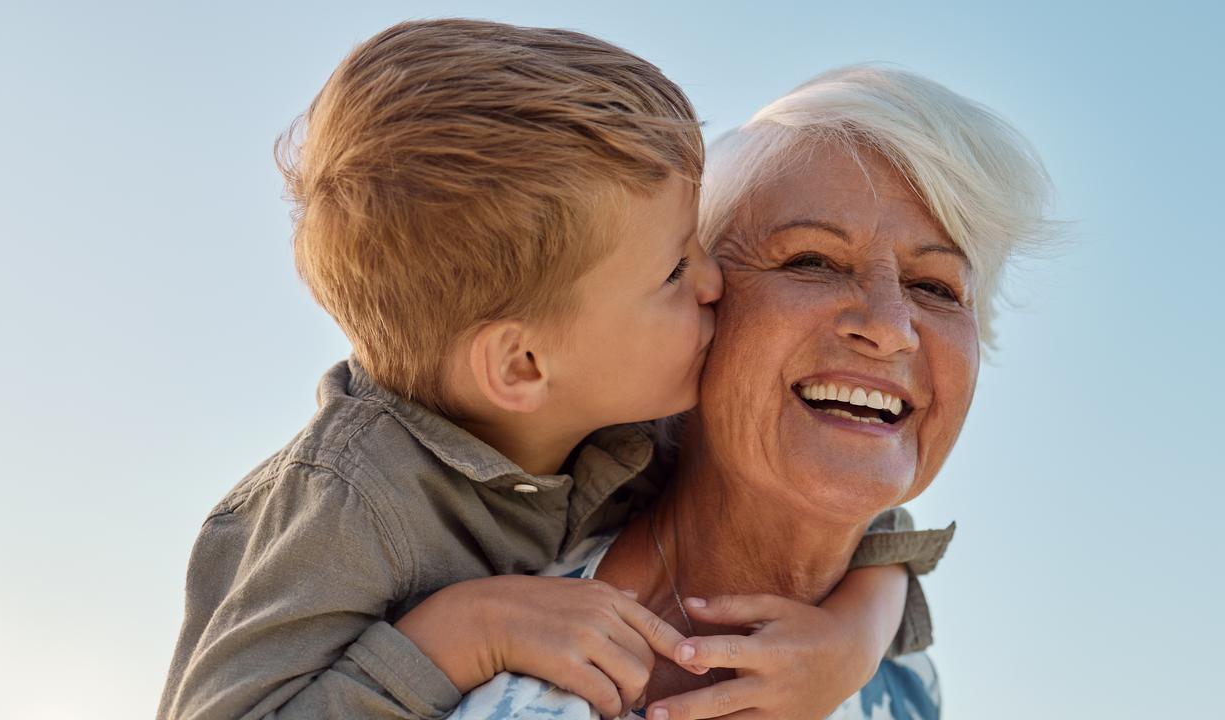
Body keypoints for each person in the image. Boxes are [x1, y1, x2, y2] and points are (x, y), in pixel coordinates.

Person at [157, 23, 949, 720]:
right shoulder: (349, 505)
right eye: (674, 271)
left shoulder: (621, 409)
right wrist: (461, 636)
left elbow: (866, 518)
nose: (715, 284)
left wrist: (854, 637)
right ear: (524, 365)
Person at [443, 64, 1055, 720]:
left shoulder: (905, 685)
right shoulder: (463, 616)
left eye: (935, 288)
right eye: (811, 262)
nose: (889, 328)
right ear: (697, 306)